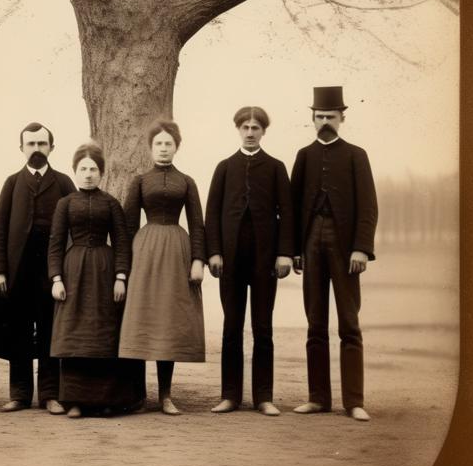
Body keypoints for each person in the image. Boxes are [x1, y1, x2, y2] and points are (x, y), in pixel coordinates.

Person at [290, 86, 378, 421]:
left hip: (345, 248)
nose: (325, 121)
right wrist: (296, 250)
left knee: (349, 323)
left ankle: (354, 401)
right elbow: (293, 208)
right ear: (312, 119)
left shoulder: (357, 155)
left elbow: (368, 207)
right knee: (315, 323)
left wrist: (361, 248)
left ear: (342, 118)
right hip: (311, 243)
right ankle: (318, 398)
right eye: (320, 116)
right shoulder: (304, 155)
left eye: (331, 116)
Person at [204, 106, 293, 416]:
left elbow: (288, 214)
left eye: (256, 127)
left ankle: (263, 396)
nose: (251, 132)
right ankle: (230, 395)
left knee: (263, 326)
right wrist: (214, 252)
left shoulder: (276, 167)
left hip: (265, 259)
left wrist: (284, 253)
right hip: (230, 260)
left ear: (264, 131)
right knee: (231, 326)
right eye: (245, 127)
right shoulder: (225, 167)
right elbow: (211, 214)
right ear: (238, 130)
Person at [0, 122, 75, 413]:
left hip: (52, 270)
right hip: (18, 269)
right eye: (31, 144)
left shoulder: (63, 182)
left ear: (51, 147)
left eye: (42, 144)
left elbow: (77, 227)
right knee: (18, 331)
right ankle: (20, 394)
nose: (36, 149)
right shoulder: (12, 183)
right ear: (22, 148)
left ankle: (50, 395)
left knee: (50, 329)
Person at [48, 142, 143, 417]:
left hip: (105, 270)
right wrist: (56, 278)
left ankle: (105, 401)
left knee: (103, 334)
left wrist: (121, 277)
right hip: (73, 271)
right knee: (75, 334)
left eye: (93, 169)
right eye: (83, 169)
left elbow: (122, 242)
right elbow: (55, 244)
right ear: (75, 172)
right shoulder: (65, 204)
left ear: (101, 173)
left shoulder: (111, 203)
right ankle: (75, 401)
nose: (88, 174)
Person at [118, 120, 205, 414]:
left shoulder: (187, 181)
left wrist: (197, 261)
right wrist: (123, 267)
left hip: (177, 252)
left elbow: (197, 224)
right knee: (143, 321)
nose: (164, 149)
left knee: (168, 320)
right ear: (151, 147)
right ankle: (138, 396)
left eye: (169, 144)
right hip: (145, 252)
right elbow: (128, 227)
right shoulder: (140, 181)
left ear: (176, 147)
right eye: (159, 144)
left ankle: (166, 395)